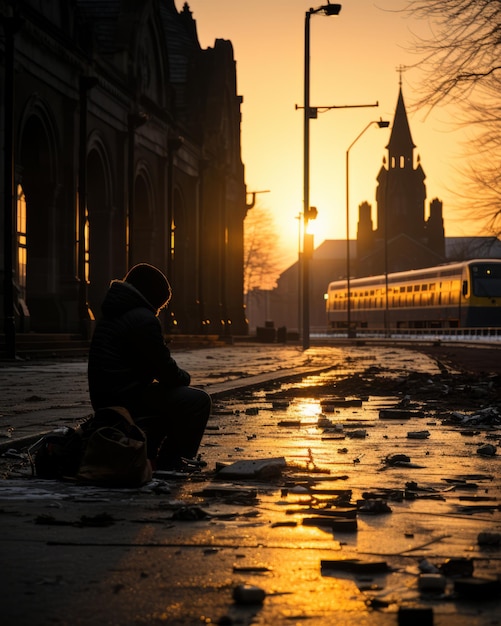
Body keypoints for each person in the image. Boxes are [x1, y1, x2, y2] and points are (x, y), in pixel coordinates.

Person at [87, 263, 211, 471]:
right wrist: (185, 377)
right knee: (197, 401)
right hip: (124, 398)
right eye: (160, 306)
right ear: (152, 298)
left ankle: (154, 455)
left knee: (166, 397)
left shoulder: (115, 312)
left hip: (107, 395)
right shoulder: (142, 319)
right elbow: (166, 372)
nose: (158, 311)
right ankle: (174, 461)